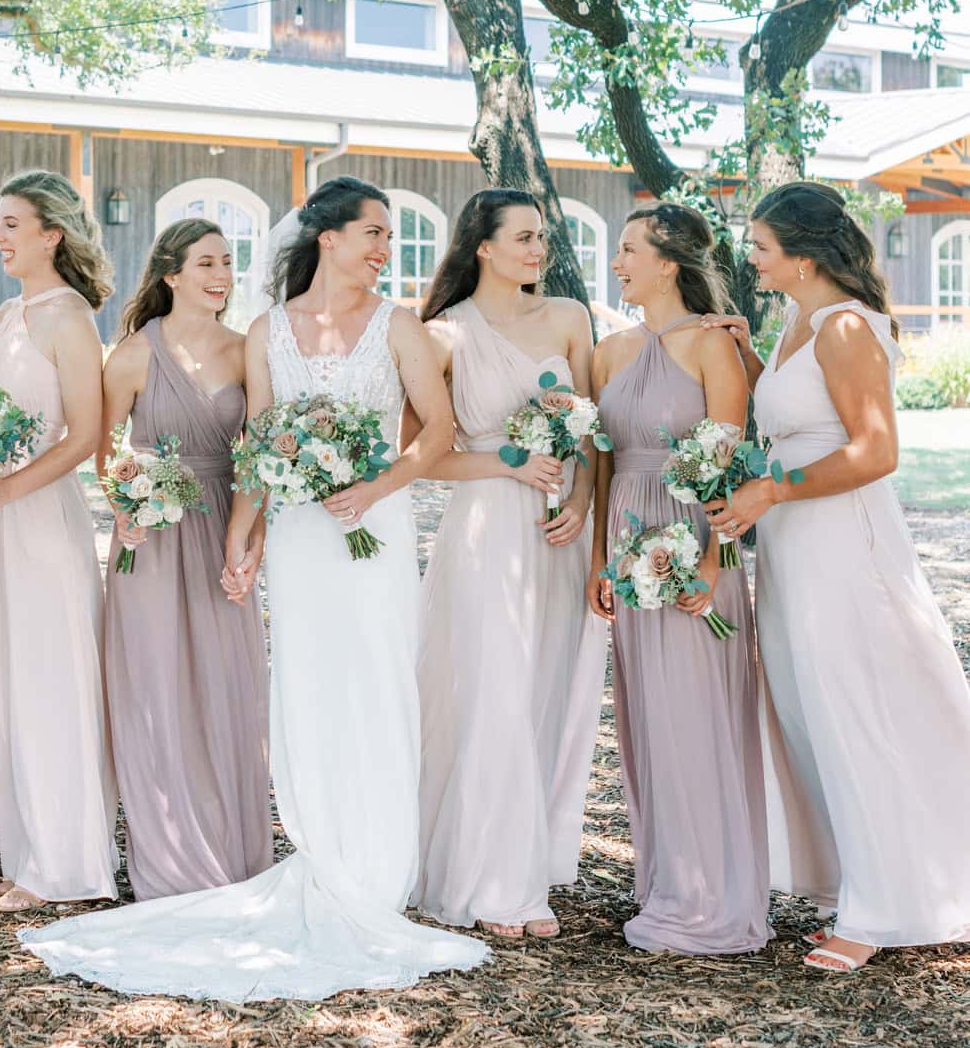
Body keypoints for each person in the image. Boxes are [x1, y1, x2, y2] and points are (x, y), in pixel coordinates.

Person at [21, 176, 488, 999]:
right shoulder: (270, 331)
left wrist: (376, 490)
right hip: (301, 540)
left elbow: (439, 429)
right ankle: (318, 850)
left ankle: (378, 871)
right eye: (373, 232)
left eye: (387, 235)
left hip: (369, 534)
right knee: (304, 689)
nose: (385, 248)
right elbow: (260, 441)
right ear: (329, 238)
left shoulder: (400, 326)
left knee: (379, 685)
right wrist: (244, 532)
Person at [704, 181, 970, 972]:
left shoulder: (847, 326)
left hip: (842, 542)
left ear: (804, 256)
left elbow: (874, 452)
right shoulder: (794, 321)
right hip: (790, 544)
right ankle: (862, 875)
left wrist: (773, 489)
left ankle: (881, 908)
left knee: (855, 703)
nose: (749, 258)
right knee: (805, 707)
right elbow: (793, 414)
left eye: (760, 247)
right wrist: (750, 358)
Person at [411, 189, 603, 939]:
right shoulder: (442, 335)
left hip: (556, 531)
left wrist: (582, 502)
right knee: (493, 688)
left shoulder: (569, 319)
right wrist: (503, 470)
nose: (538, 249)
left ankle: (529, 858)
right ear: (482, 247)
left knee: (542, 685)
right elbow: (424, 458)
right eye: (523, 237)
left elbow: (593, 433)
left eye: (542, 237)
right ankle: (498, 883)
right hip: (488, 529)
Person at [590, 203, 770, 956]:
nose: (618, 261)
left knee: (696, 708)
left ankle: (712, 896)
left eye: (629, 249)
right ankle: (668, 879)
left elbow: (729, 460)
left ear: (668, 262)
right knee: (651, 717)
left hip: (698, 538)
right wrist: (601, 559)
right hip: (630, 540)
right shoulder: (609, 351)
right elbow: (603, 462)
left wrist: (711, 562)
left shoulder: (709, 343)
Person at [0, 169, 118, 913]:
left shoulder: (68, 318)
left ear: (51, 233)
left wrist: (12, 487)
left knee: (52, 684)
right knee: (16, 684)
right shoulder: (9, 312)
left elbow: (85, 434)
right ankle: (28, 854)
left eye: (11, 223)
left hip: (44, 523)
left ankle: (66, 866)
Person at [100, 219, 272, 898]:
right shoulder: (133, 356)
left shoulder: (244, 349)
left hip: (221, 531)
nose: (221, 274)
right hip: (150, 536)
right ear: (171, 274)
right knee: (154, 685)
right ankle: (169, 856)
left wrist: (248, 534)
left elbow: (259, 448)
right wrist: (122, 504)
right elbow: (104, 448)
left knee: (227, 686)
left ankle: (231, 849)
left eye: (227, 262)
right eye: (205, 262)